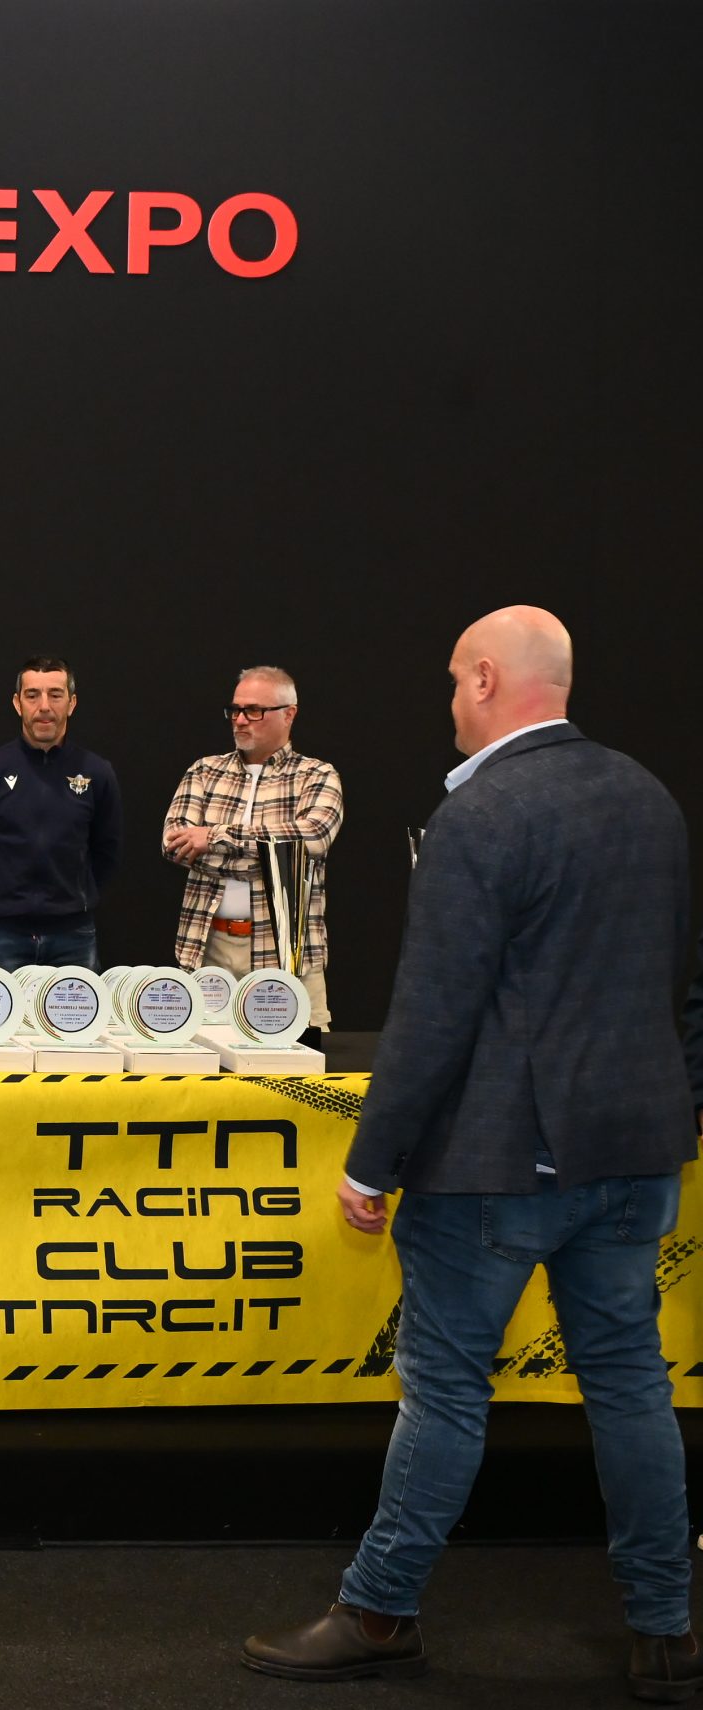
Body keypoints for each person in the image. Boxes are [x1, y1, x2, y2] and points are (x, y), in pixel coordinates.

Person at [244, 607, 699, 1699]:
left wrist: (372, 1162)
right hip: (634, 1152)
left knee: (444, 1393)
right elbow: (673, 982)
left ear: (489, 679)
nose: (450, 700)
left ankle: (379, 1612)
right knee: (631, 1385)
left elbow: (433, 1015)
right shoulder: (649, 796)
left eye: (456, 680)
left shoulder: (481, 813)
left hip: (498, 1163)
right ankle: (668, 1630)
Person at [161, 667, 343, 1039]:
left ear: (289, 713)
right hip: (209, 949)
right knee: (206, 1063)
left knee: (299, 1068)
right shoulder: (204, 771)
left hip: (287, 955)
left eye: (254, 711)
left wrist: (213, 837)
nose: (240, 720)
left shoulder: (316, 775)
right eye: (235, 710)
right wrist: (269, 855)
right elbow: (174, 843)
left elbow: (312, 838)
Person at [0, 656, 121, 969]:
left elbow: (107, 851)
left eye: (55, 695)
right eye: (32, 695)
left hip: (74, 937)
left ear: (71, 703)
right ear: (17, 704)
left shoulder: (97, 773)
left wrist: (72, 899)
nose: (44, 706)